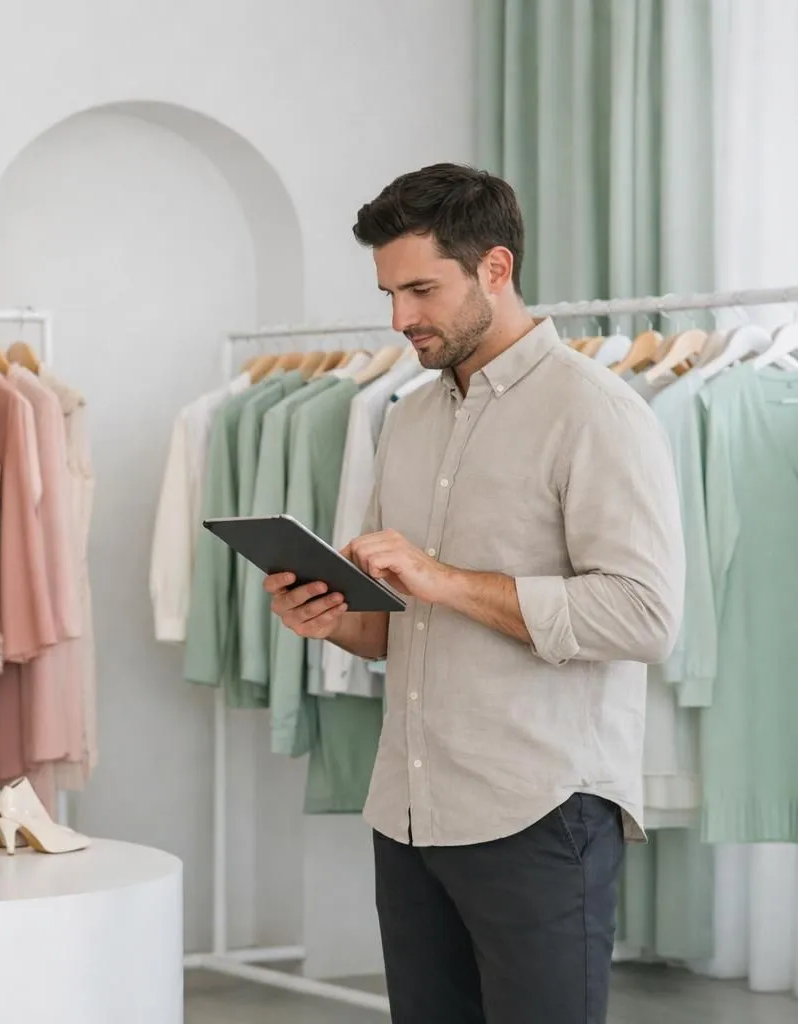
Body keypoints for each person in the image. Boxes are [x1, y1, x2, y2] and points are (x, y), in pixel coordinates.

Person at [265, 164, 684, 1024]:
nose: (399, 318)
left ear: (496, 268)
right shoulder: (408, 417)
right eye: (389, 293)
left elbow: (645, 616)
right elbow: (391, 627)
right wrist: (331, 618)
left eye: (421, 290)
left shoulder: (596, 413)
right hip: (410, 812)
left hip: (541, 814)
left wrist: (446, 580)